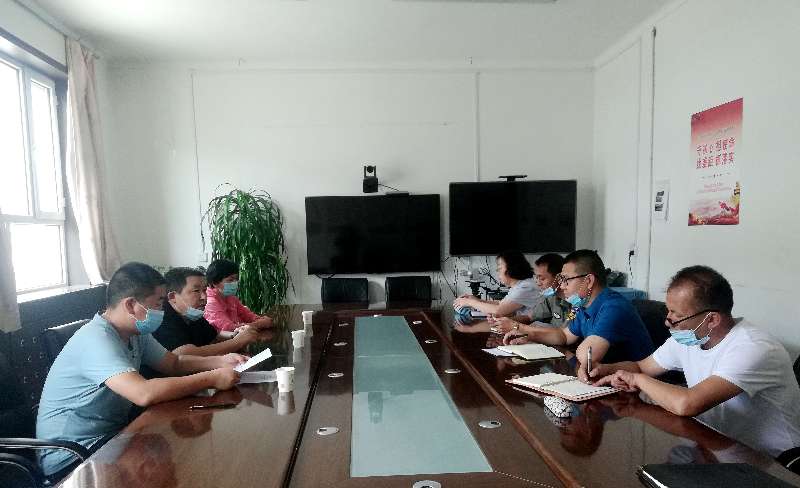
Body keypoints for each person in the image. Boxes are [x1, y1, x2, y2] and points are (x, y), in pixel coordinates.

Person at [36, 262, 245, 478]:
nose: (162, 311)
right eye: (158, 304)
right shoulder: (96, 339)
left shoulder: (135, 333)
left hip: (112, 436)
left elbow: (174, 363)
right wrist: (212, 378)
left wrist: (220, 361)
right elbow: (143, 393)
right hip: (73, 454)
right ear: (130, 305)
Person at [591, 265, 800, 458]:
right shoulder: (688, 337)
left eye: (676, 315)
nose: (667, 322)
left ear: (712, 319)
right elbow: (641, 367)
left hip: (772, 461)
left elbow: (687, 404)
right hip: (715, 444)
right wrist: (605, 369)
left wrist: (637, 379)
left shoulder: (753, 348)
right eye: (668, 311)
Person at [503, 250, 654, 367]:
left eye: (566, 280)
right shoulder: (582, 305)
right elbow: (564, 335)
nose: (562, 286)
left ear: (589, 281)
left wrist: (524, 329)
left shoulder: (614, 307)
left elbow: (588, 356)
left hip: (637, 386)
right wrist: (528, 334)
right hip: (608, 377)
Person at [154, 267, 260, 356]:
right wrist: (237, 341)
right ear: (173, 296)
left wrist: (235, 334)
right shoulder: (162, 318)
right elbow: (186, 353)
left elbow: (214, 335)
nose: (204, 297)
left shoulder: (193, 313)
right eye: (196, 291)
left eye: (204, 290)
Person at [492, 253, 571, 332]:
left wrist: (517, 327)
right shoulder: (551, 299)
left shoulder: (574, 304)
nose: (538, 283)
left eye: (542, 279)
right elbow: (529, 317)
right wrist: (503, 321)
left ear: (559, 278)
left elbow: (564, 334)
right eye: (537, 278)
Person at [452, 251, 539, 317]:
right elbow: (502, 304)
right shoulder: (519, 286)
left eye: (499, 268)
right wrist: (477, 300)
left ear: (512, 268)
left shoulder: (525, 287)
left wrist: (470, 302)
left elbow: (499, 310)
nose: (497, 271)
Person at [204, 259, 274, 333]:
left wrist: (260, 319)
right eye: (230, 280)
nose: (235, 283)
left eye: (236, 279)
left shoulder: (230, 297)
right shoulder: (210, 302)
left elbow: (246, 314)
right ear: (215, 283)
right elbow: (228, 328)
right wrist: (260, 324)